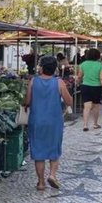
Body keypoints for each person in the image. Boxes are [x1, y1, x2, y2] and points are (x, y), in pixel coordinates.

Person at [25, 55, 72, 191]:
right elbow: (69, 101)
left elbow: (27, 100)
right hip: (54, 121)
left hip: (36, 120)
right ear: (55, 68)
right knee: (54, 150)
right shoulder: (59, 82)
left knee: (38, 152)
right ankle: (52, 175)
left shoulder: (33, 81)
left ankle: (40, 183)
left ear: (41, 68)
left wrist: (26, 104)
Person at [77, 48, 102, 132]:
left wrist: (78, 82)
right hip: (96, 87)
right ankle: (95, 124)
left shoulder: (83, 64)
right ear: (97, 56)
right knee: (96, 106)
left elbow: (79, 76)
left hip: (85, 86)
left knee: (86, 107)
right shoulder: (100, 65)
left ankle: (85, 125)